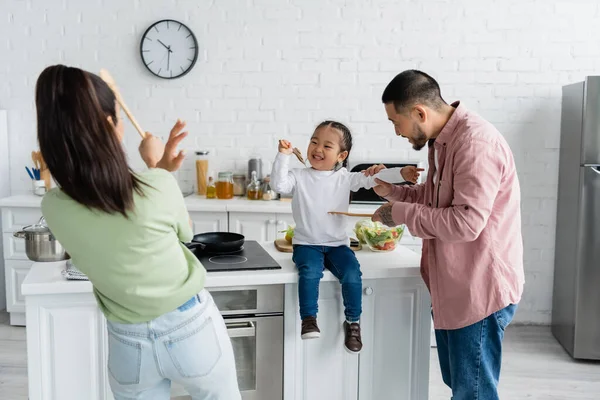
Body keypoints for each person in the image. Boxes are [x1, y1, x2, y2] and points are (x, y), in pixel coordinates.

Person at [35, 65, 240, 400]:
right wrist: (157, 168)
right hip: (191, 329)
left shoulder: (53, 207)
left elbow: (120, 223)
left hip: (127, 343)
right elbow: (183, 233)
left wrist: (159, 171)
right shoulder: (155, 186)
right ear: (109, 127)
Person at [365, 70, 524, 400]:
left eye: (396, 122)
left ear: (419, 113)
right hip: (455, 285)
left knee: (473, 393)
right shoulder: (442, 140)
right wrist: (393, 192)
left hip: (479, 289)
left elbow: (466, 223)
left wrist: (399, 213)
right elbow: (436, 196)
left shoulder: (476, 144)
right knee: (461, 387)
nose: (397, 132)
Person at [270, 120, 422, 354]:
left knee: (352, 274)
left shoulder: (345, 177)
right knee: (309, 272)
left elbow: (375, 177)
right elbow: (278, 184)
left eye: (327, 146)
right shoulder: (298, 175)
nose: (317, 149)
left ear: (342, 155)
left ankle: (353, 322)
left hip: (337, 246)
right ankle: (309, 319)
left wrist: (402, 172)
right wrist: (283, 156)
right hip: (307, 244)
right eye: (314, 142)